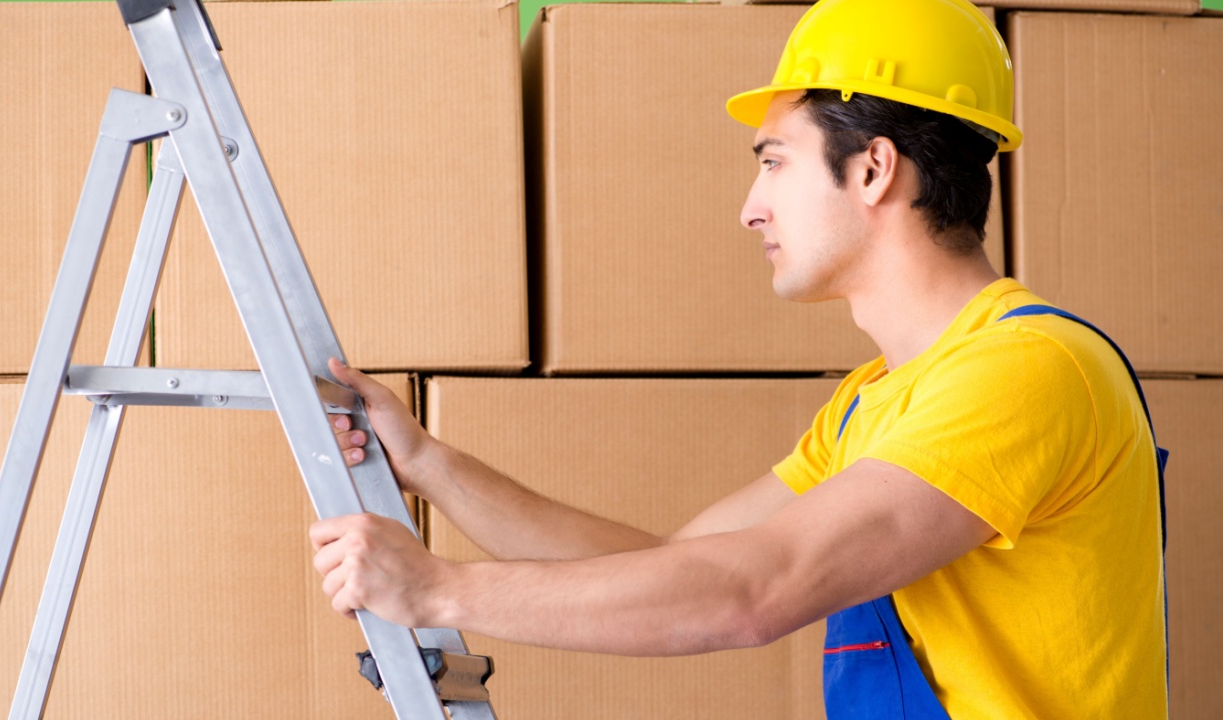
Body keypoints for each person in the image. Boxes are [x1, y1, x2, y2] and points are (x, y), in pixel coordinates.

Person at [309, 0, 1169, 716]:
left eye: (774, 162)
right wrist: (429, 465)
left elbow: (755, 590)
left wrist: (437, 592)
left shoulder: (1026, 370)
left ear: (873, 170)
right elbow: (670, 565)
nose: (751, 209)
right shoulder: (877, 405)